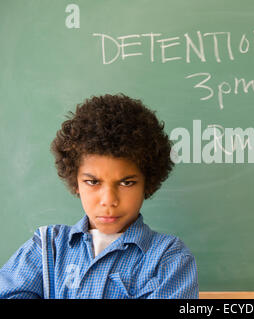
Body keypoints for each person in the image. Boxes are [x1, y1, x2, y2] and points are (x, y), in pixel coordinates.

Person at [0, 93, 199, 299]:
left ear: (147, 182)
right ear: (75, 181)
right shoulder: (47, 247)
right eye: (93, 182)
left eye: (126, 183)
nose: (108, 200)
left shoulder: (168, 258)